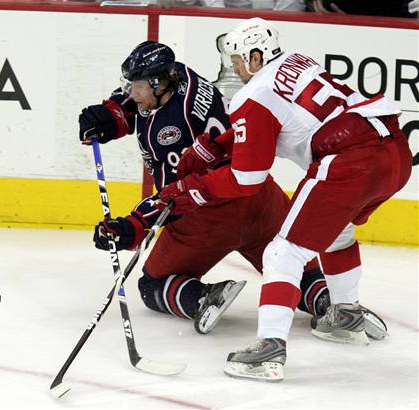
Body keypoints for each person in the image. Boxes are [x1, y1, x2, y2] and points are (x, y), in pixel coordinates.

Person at [158, 18, 411, 381]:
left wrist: (192, 189)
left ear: (256, 56)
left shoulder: (253, 94)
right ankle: (345, 315)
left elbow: (248, 178)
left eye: (239, 60)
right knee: (337, 233)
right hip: (393, 155)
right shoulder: (298, 61)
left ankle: (269, 349)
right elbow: (278, 122)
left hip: (348, 162)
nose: (235, 68)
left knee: (282, 253)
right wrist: (217, 145)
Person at [78, 40, 335, 335]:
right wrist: (111, 117)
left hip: (210, 215)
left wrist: (134, 226)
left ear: (160, 83)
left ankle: (201, 299)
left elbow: (175, 197)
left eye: (139, 86)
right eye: (132, 85)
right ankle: (327, 302)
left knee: (152, 284)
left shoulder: (173, 131)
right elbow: (138, 102)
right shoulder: (180, 75)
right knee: (293, 268)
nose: (133, 93)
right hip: (261, 199)